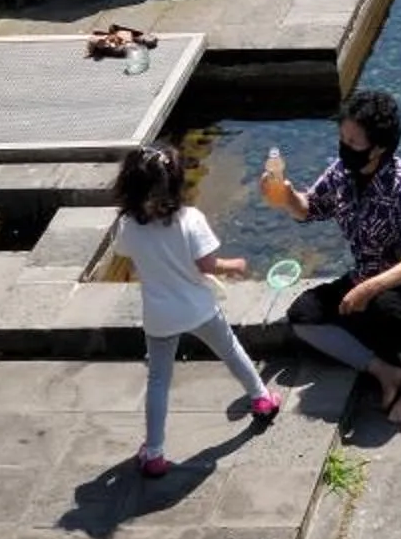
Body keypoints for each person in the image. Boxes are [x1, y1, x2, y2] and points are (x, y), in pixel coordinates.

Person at [260, 87, 401, 425]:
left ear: (379, 147)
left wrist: (369, 288)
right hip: (366, 273)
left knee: (385, 305)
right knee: (303, 315)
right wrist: (285, 197)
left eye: (354, 143)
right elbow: (310, 209)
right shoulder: (341, 174)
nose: (345, 147)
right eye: (342, 137)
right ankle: (384, 372)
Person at [110, 143, 279, 475]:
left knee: (159, 379)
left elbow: (125, 252)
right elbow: (207, 264)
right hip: (199, 308)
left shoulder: (128, 225)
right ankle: (261, 398)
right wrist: (236, 264)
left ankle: (155, 452)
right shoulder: (190, 220)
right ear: (176, 186)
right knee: (230, 350)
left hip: (159, 316)